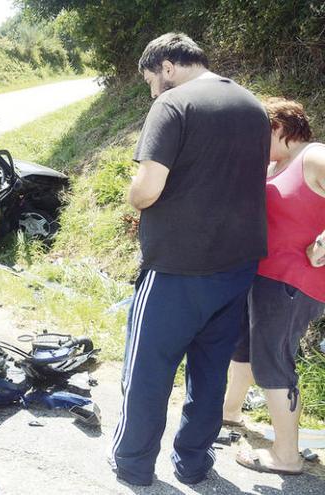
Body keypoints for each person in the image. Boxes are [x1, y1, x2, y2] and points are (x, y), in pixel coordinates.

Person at [110, 33, 270, 486]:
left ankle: (133, 464)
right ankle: (194, 463)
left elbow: (146, 190)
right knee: (210, 370)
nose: (152, 92)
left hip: (178, 267)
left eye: (150, 81)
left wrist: (131, 191)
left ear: (166, 66)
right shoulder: (252, 105)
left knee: (147, 369)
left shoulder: (173, 104)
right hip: (237, 265)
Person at [222, 97, 325, 475]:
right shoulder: (273, 164)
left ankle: (287, 457)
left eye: (258, 133)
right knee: (244, 348)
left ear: (279, 128)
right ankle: (230, 414)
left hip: (295, 280)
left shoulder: (314, 156)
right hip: (262, 275)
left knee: (272, 362)